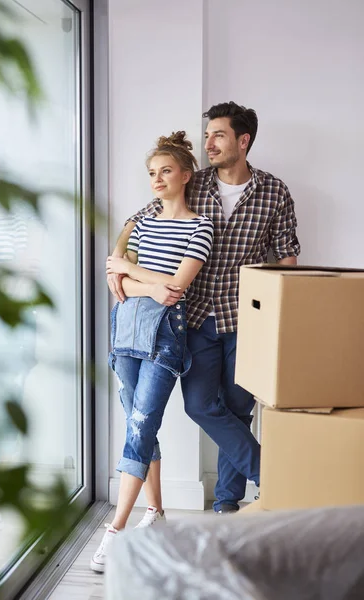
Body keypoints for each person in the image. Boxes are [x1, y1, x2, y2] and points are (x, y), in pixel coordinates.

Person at [107, 102, 301, 515]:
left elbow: (287, 258)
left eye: (218, 135)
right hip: (190, 318)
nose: (208, 142)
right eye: (207, 134)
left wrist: (283, 318)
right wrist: (117, 266)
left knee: (237, 409)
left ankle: (228, 502)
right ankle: (276, 476)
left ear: (242, 141)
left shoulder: (274, 191)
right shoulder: (193, 183)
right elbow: (136, 219)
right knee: (200, 405)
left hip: (248, 319)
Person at [90, 132, 214, 572]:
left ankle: (115, 530)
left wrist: (130, 271)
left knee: (142, 424)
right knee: (136, 423)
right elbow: (118, 281)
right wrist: (141, 278)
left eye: (165, 171)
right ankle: (155, 513)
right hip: (125, 330)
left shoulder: (200, 227)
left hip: (166, 336)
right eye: (151, 173)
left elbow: (175, 291)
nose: (157, 179)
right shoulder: (140, 223)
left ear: (185, 174)